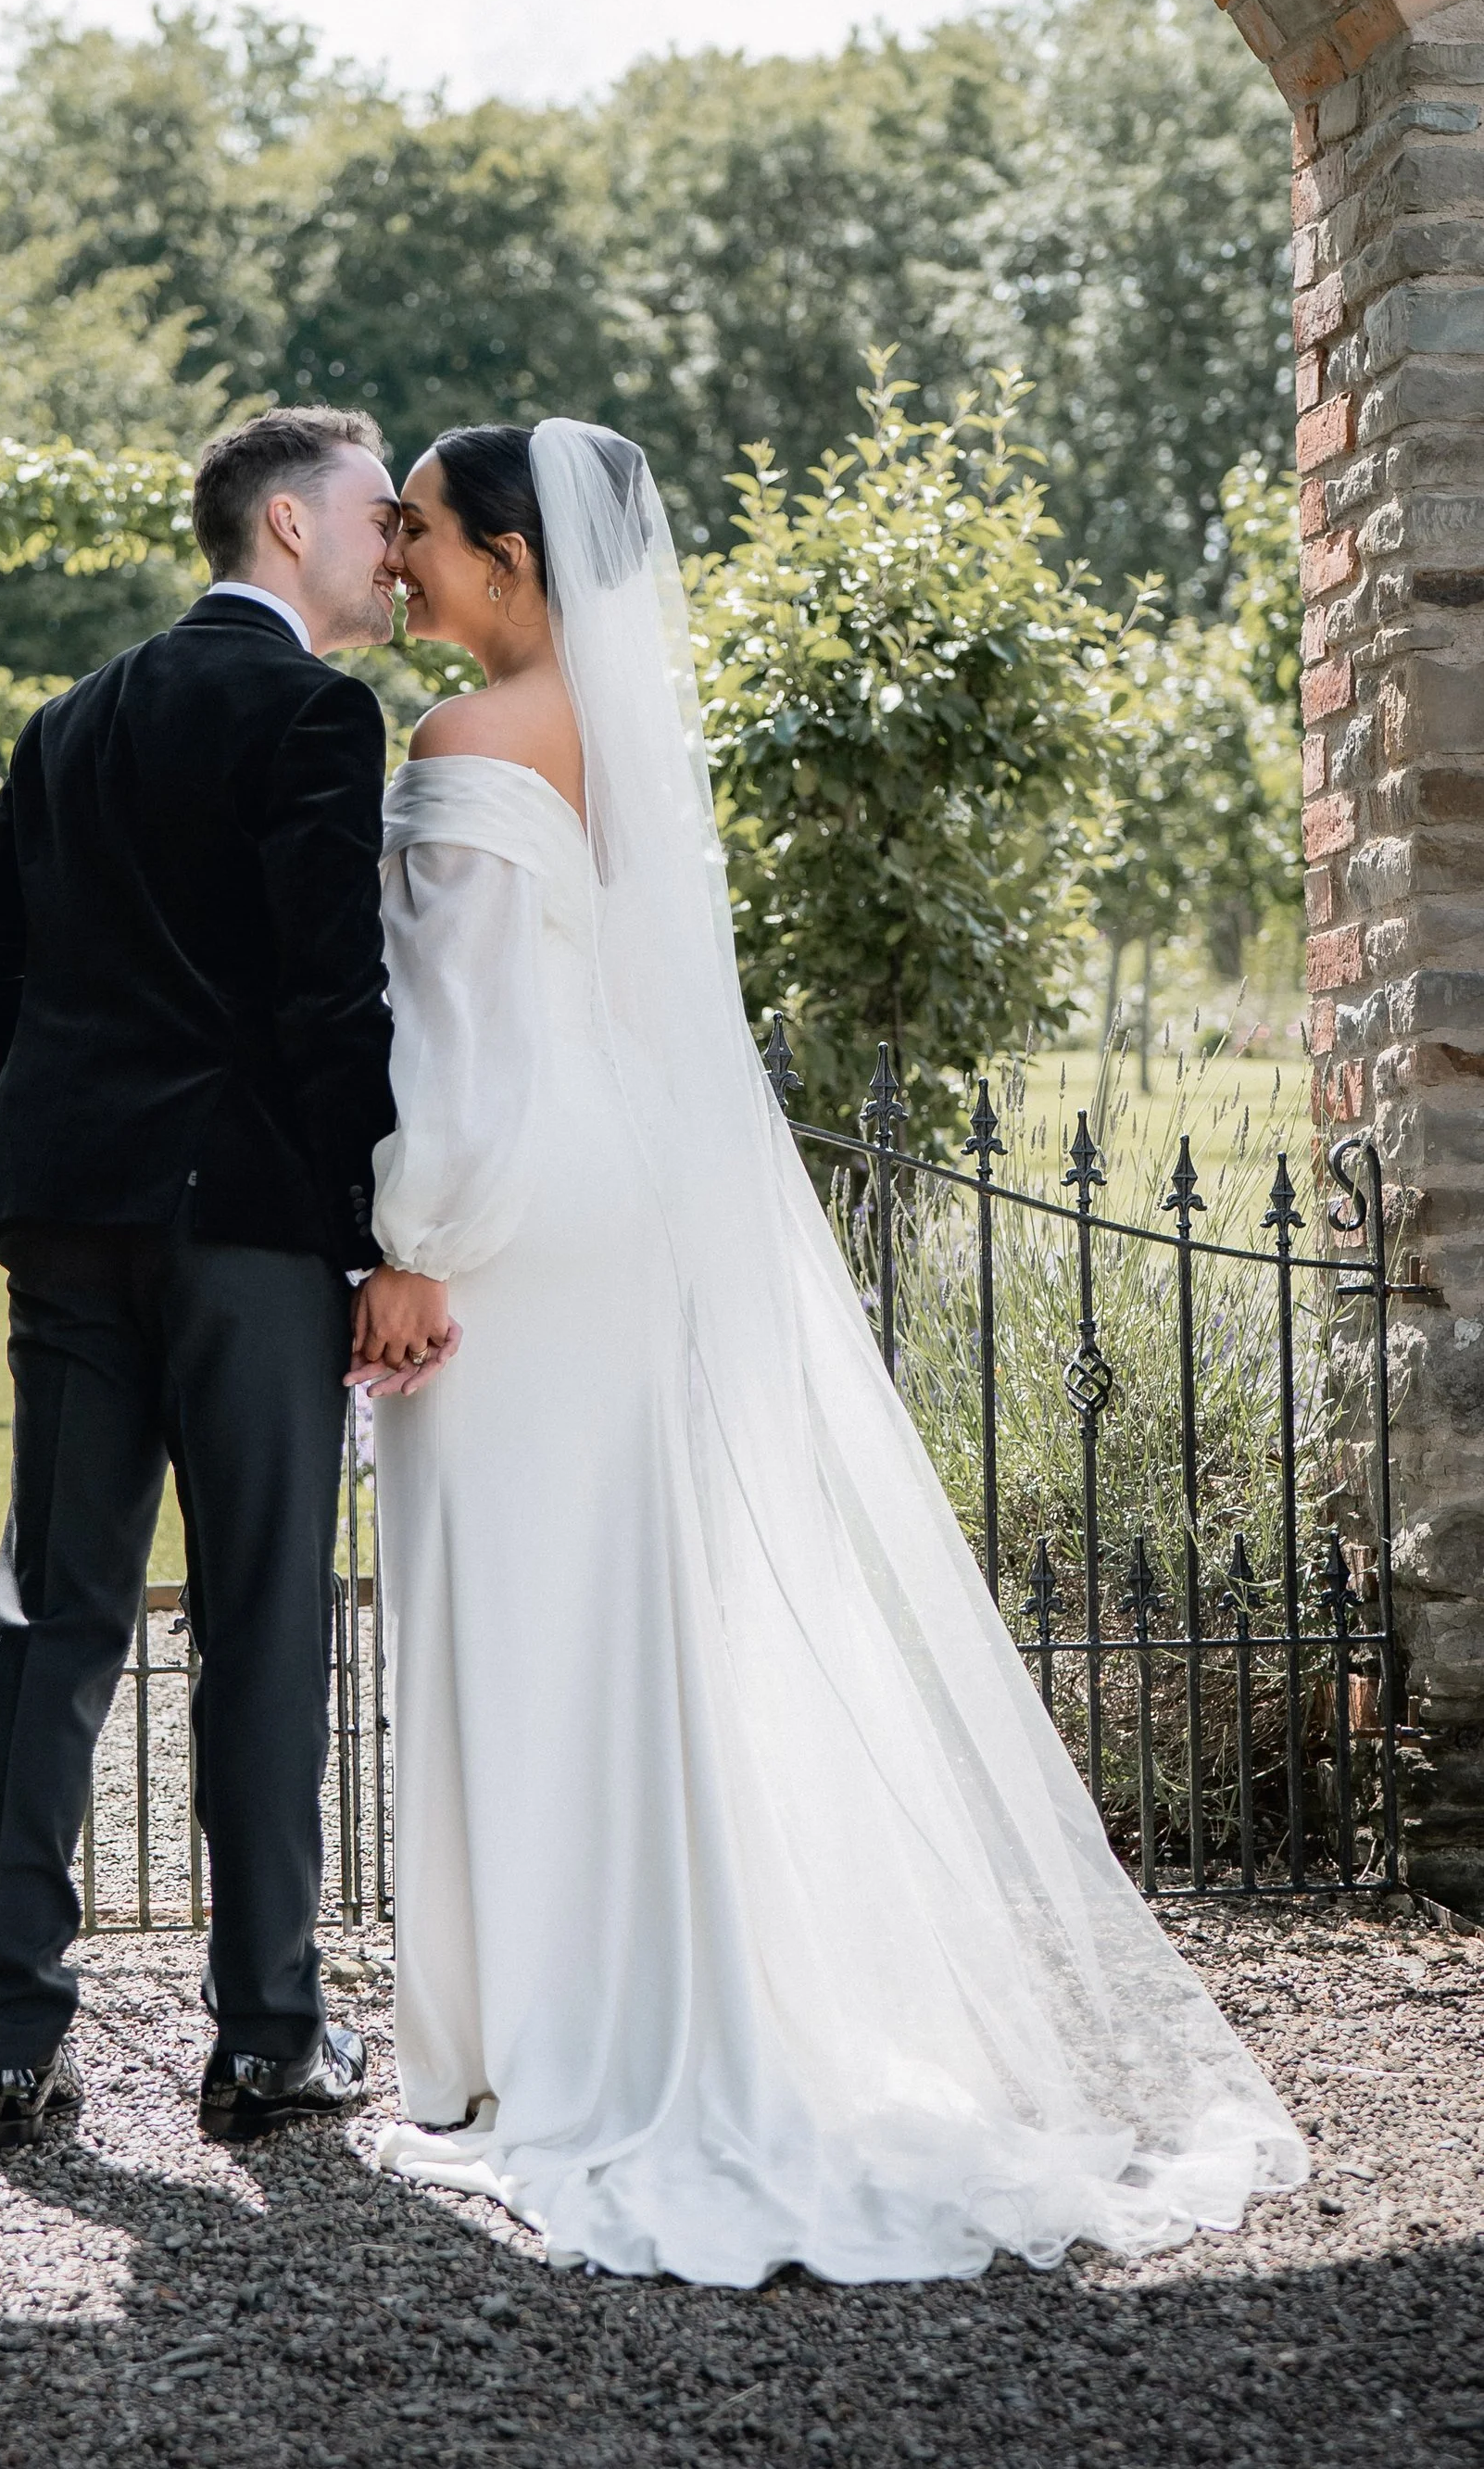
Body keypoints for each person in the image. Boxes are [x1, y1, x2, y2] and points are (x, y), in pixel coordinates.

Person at [346, 420, 1308, 2285]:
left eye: (435, 538)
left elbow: (449, 1044)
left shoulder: (463, 744)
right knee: (627, 1606)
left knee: (513, 1610)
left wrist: (407, 1241)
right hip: (616, 1202)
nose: (404, 565)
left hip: (511, 1225)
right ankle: (660, 2002)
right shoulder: (618, 736)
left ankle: (535, 2043)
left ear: (518, 568)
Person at [0, 406, 452, 2152]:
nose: (397, 545)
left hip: (71, 1224)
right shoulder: (314, 710)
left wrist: (79, 1096)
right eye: (380, 514)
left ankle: (14, 2043)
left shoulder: (74, 716)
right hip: (245, 1238)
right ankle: (267, 2038)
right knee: (264, 1622)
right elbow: (331, 995)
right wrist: (372, 1225)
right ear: (287, 525)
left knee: (54, 1620)